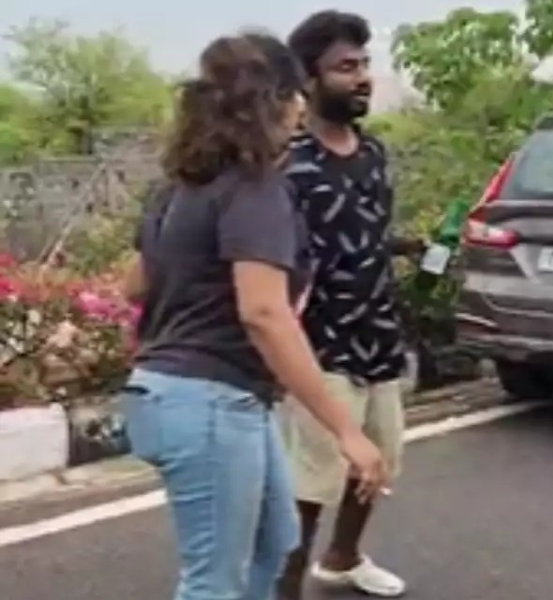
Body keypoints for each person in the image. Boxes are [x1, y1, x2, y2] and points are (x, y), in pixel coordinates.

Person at [120, 32, 384, 600]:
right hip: (209, 400)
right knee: (213, 582)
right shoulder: (255, 188)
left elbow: (135, 283)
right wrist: (346, 430)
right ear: (278, 100)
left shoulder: (177, 188)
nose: (298, 109)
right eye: (293, 95)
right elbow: (264, 313)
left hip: (183, 394)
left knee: (277, 544)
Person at [276, 11, 423, 600]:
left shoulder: (374, 153)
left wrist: (409, 247)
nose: (363, 77)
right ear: (308, 80)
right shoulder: (289, 163)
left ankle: (343, 559)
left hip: (380, 339)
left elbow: (362, 234)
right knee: (311, 484)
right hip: (318, 346)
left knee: (377, 465)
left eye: (365, 65)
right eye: (345, 67)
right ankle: (282, 587)